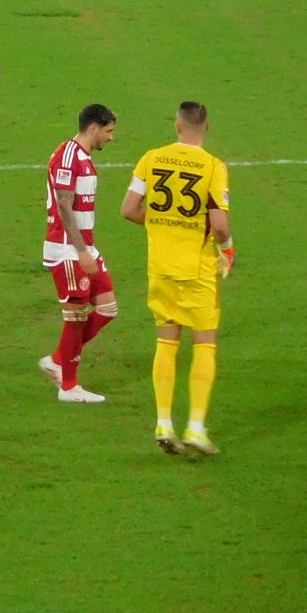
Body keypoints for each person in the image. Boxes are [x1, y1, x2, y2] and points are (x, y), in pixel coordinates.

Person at [121, 102, 234, 456]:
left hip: (161, 267)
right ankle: (196, 428)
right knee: (204, 343)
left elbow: (128, 209)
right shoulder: (213, 167)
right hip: (197, 270)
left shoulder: (151, 158)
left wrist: (160, 224)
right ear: (207, 128)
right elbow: (218, 226)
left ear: (177, 126)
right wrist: (228, 250)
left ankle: (164, 422)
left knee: (166, 342)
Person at [38, 103, 119, 403]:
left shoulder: (82, 157)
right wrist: (82, 251)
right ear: (93, 128)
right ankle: (69, 387)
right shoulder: (68, 156)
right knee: (75, 318)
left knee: (108, 307)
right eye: (108, 131)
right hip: (68, 250)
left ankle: (59, 359)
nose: (111, 138)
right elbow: (63, 204)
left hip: (84, 247)